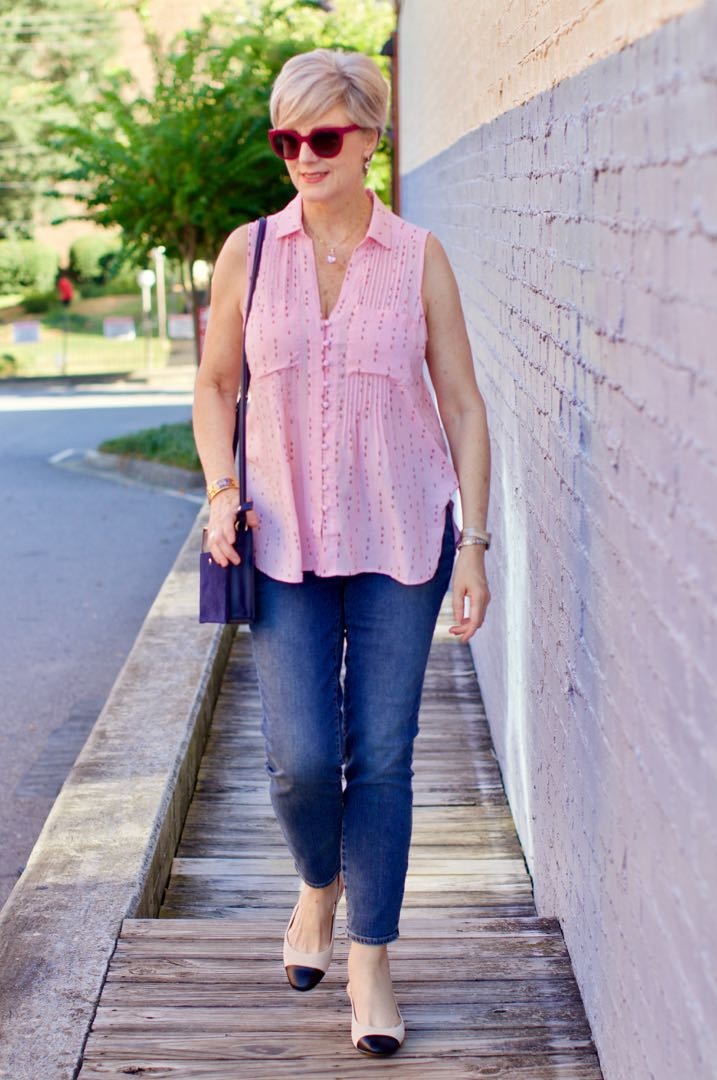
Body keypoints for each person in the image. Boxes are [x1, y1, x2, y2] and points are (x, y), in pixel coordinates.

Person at [192, 48, 491, 1058]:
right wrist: (221, 489)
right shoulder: (251, 252)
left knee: (387, 757)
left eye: (323, 136)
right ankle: (316, 887)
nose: (303, 156)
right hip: (282, 542)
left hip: (405, 537)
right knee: (301, 763)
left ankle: (370, 956)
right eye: (287, 139)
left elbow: (461, 404)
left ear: (370, 136)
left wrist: (477, 547)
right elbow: (216, 385)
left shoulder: (417, 257)